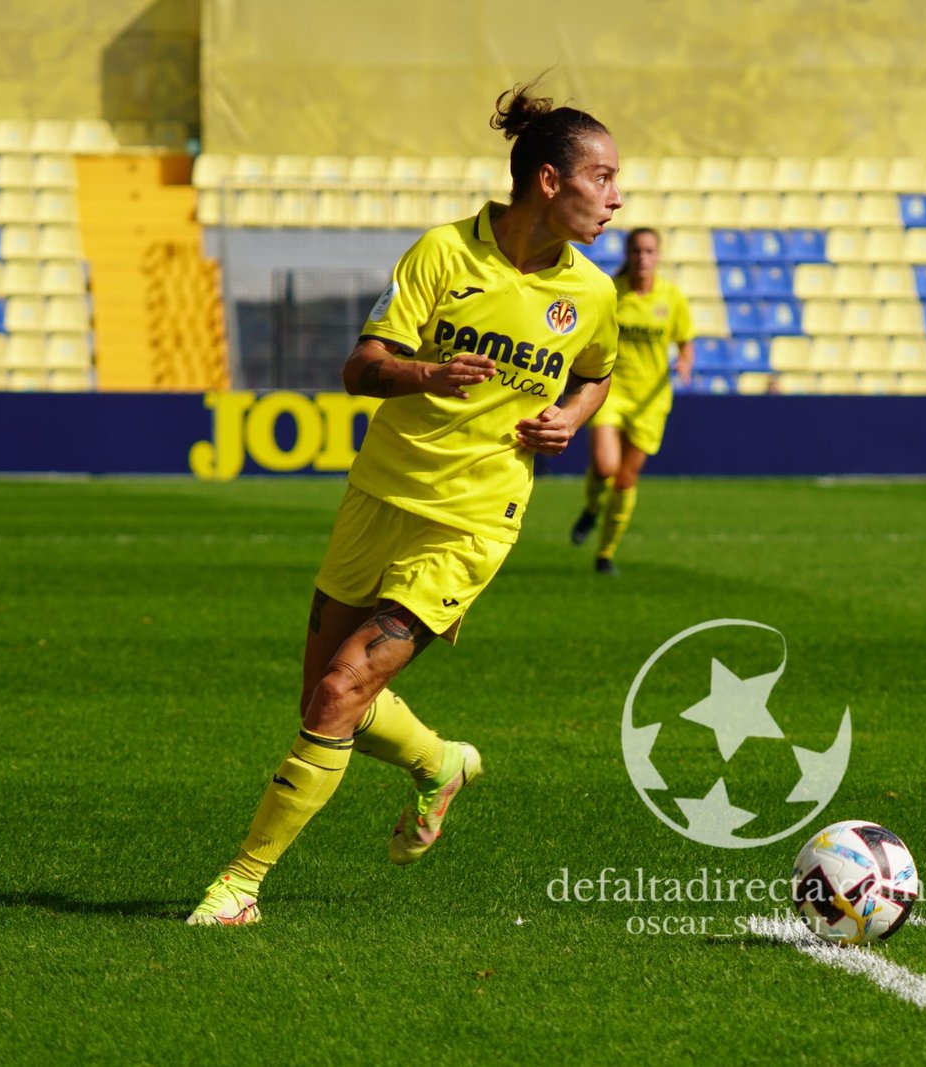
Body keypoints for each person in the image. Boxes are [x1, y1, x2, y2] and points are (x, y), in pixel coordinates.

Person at [187, 81, 621, 925]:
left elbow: (599, 372)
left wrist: (568, 416)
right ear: (546, 180)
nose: (615, 196)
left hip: (471, 519)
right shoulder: (443, 255)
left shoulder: (592, 294)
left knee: (344, 688)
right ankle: (440, 762)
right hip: (380, 493)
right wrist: (427, 373)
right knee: (321, 694)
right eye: (600, 177)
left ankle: (240, 883)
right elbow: (361, 369)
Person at [569, 227, 694, 575]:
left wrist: (685, 360)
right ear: (628, 254)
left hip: (651, 400)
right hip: (612, 390)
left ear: (658, 256)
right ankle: (592, 508)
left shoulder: (671, 298)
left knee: (625, 480)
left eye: (649, 251)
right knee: (605, 467)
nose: (643, 258)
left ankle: (605, 553)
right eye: (637, 251)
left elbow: (685, 340)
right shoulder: (612, 293)